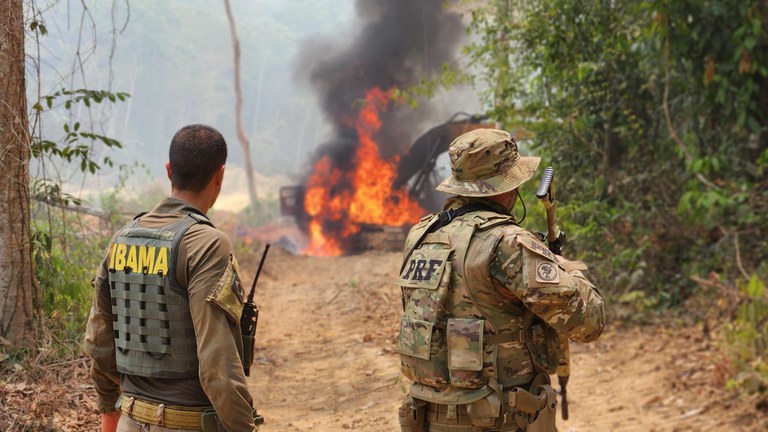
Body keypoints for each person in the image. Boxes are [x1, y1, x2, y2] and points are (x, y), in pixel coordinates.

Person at [396, 128, 605, 432]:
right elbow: (590, 322)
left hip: (429, 418)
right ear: (508, 187)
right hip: (498, 420)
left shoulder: (422, 235)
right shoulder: (508, 243)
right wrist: (566, 269)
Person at [85, 124, 259, 432]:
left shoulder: (122, 239)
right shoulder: (206, 244)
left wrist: (108, 411)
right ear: (219, 175)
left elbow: (98, 340)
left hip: (130, 419)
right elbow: (218, 365)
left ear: (169, 170)